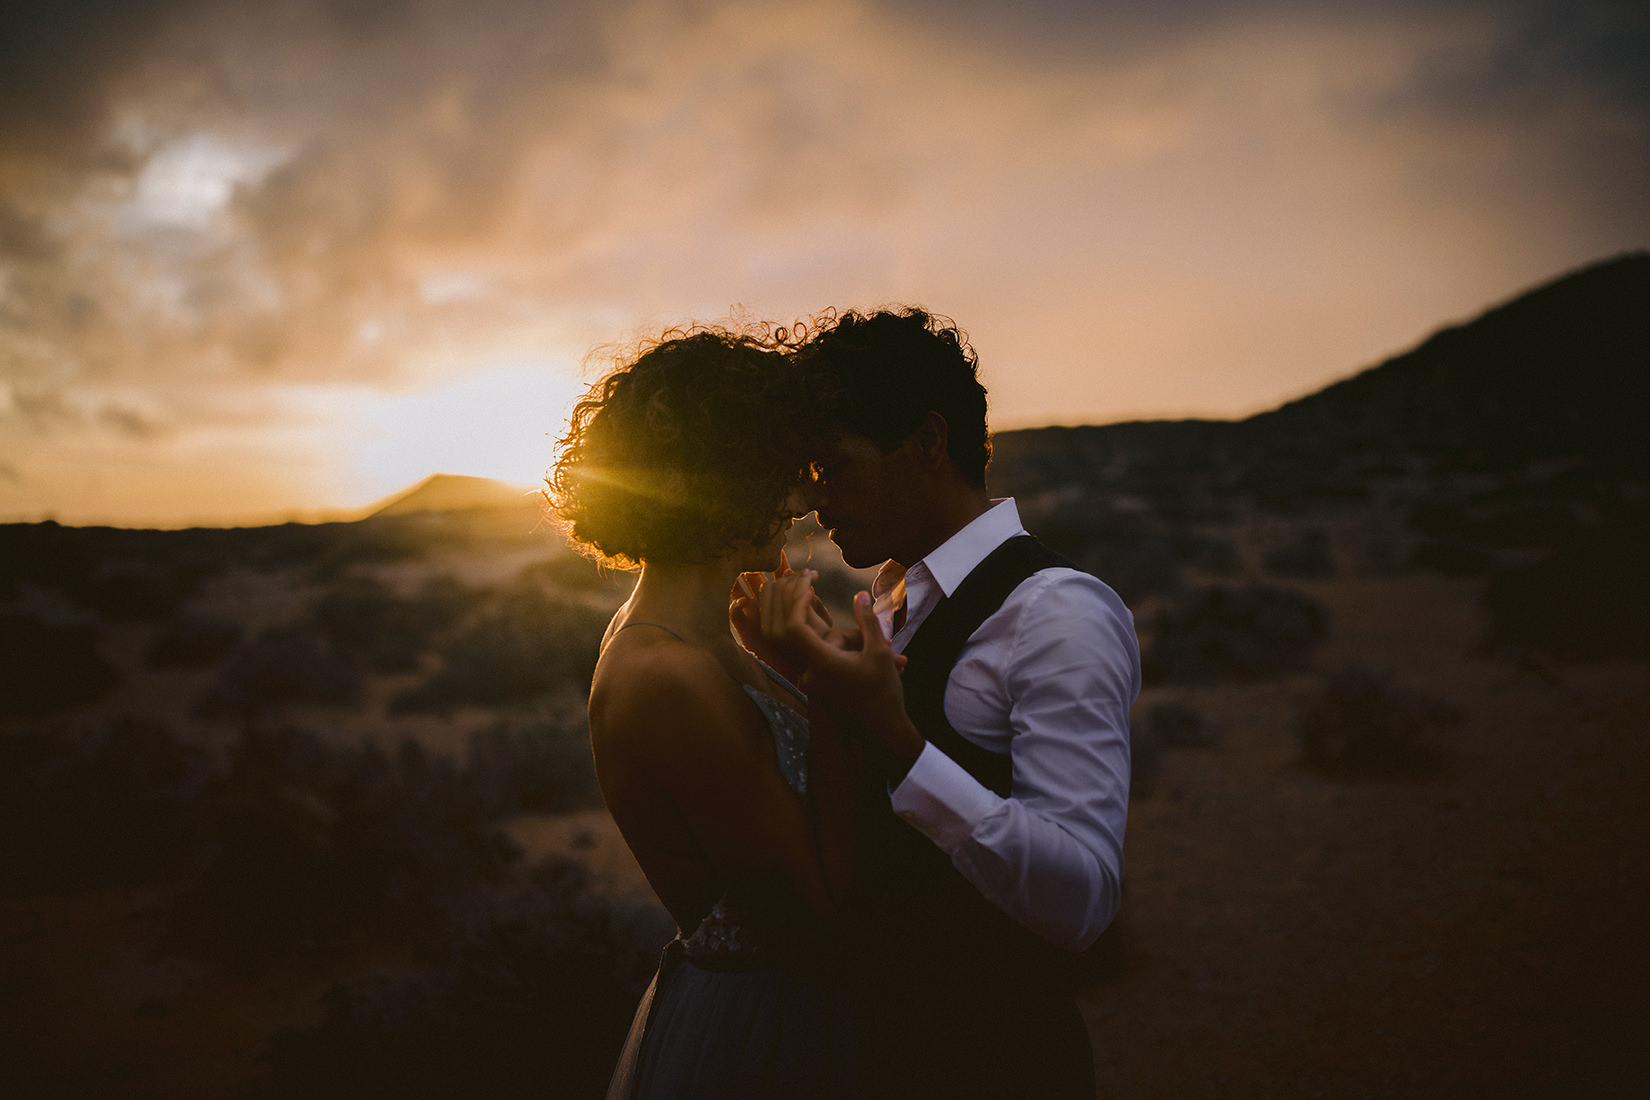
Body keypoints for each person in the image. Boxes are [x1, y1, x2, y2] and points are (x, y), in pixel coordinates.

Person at [768, 307, 1141, 1100]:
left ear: (927, 443)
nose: (810, 501)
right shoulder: (891, 602)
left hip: (995, 1065)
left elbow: (1083, 901)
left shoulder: (1055, 611)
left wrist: (899, 742)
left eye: (830, 465)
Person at [547, 327, 863, 1100]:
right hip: (770, 1034)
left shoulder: (702, 633)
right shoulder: (666, 675)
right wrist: (826, 689)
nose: (806, 497)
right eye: (785, 469)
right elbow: (819, 924)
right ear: (724, 480)